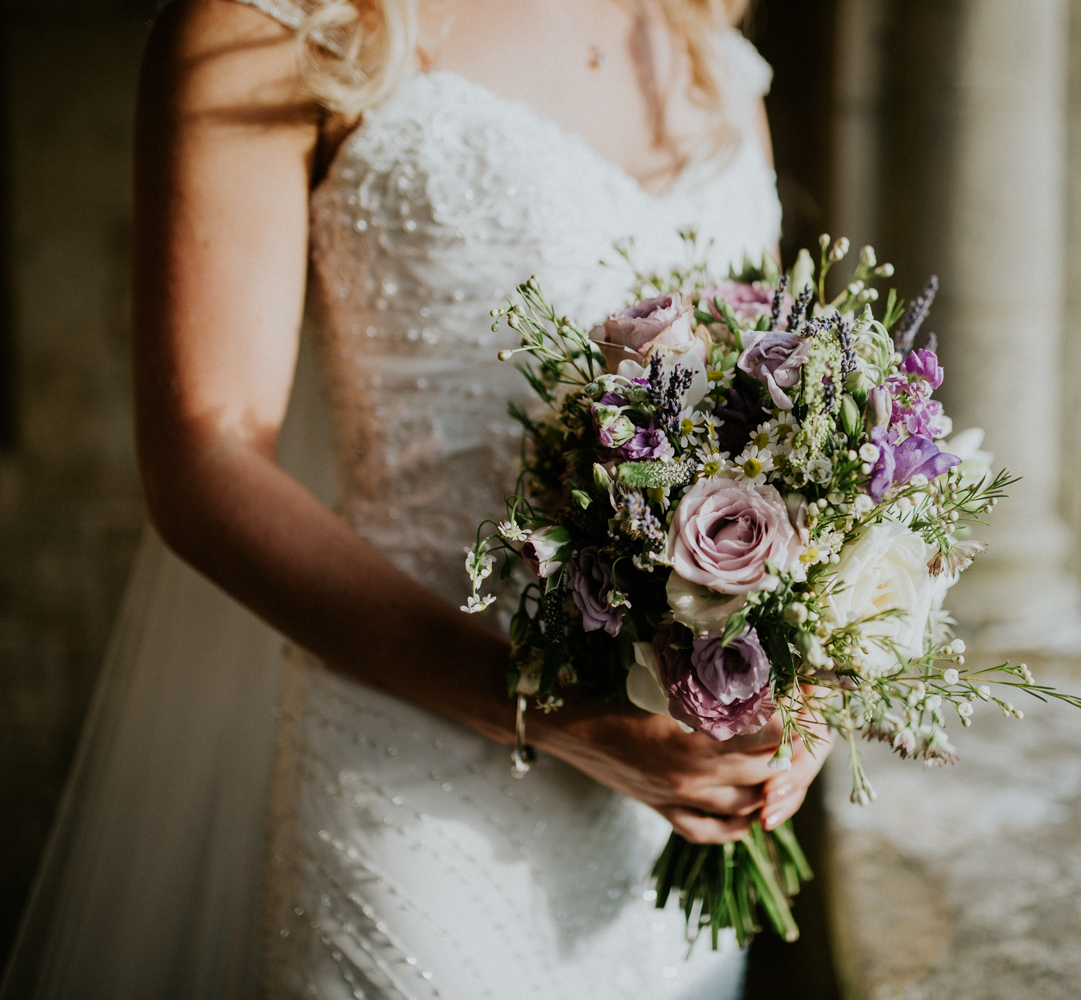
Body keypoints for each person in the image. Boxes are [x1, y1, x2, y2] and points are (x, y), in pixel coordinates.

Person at [1, 0, 828, 996]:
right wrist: (546, 709)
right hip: (418, 791)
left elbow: (776, 433)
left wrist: (806, 676)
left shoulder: (707, 50)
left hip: (663, 839)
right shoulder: (264, 24)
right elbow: (203, 462)